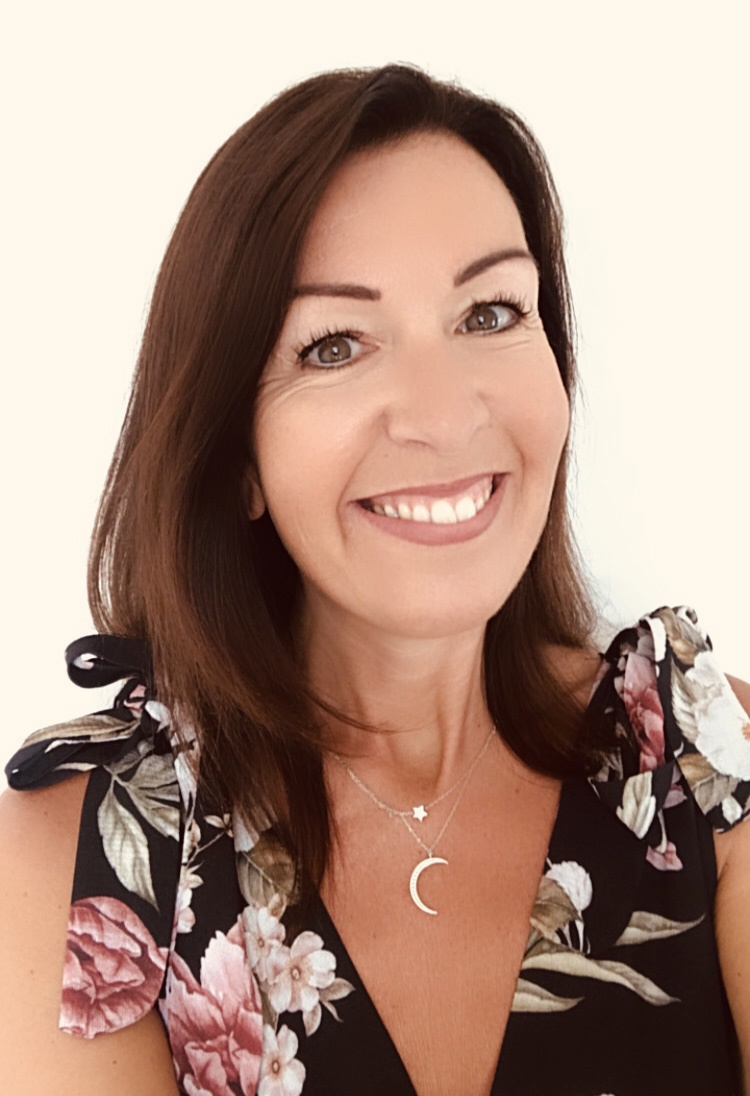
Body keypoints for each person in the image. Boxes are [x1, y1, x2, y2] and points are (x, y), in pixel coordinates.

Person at [1, 63, 748, 1096]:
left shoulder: (704, 765)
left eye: (489, 313)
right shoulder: (82, 861)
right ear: (236, 455)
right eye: (335, 345)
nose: (442, 415)